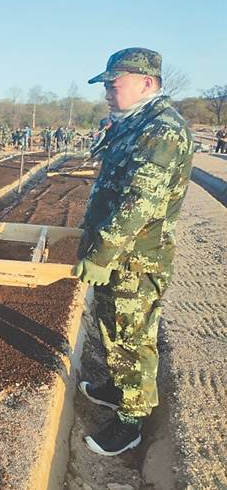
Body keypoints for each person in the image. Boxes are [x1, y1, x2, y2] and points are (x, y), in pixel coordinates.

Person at [73, 47, 194, 457]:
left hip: (135, 260)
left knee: (132, 336)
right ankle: (116, 386)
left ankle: (131, 422)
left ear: (147, 83)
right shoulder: (133, 123)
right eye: (106, 85)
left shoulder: (162, 131)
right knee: (112, 326)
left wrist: (101, 253)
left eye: (114, 83)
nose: (107, 91)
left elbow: (137, 203)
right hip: (118, 257)